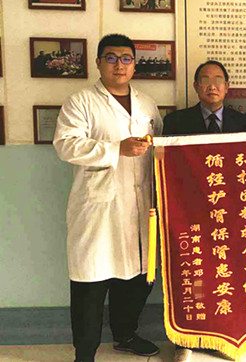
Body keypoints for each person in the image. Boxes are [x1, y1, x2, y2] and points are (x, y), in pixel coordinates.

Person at [53, 34, 163, 362]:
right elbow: (65, 145)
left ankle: (125, 335)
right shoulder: (81, 102)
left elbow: (159, 144)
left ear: (134, 65)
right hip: (98, 207)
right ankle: (85, 353)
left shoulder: (147, 103)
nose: (119, 65)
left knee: (136, 278)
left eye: (126, 59)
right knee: (91, 282)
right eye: (111, 58)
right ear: (98, 63)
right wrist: (116, 149)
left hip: (140, 206)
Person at [163, 60, 246, 362]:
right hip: (188, 214)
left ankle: (223, 335)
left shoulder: (243, 123)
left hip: (230, 215)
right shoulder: (175, 122)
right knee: (192, 276)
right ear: (195, 86)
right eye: (205, 79)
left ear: (227, 87)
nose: (212, 85)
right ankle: (185, 338)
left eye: (218, 79)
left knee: (226, 275)